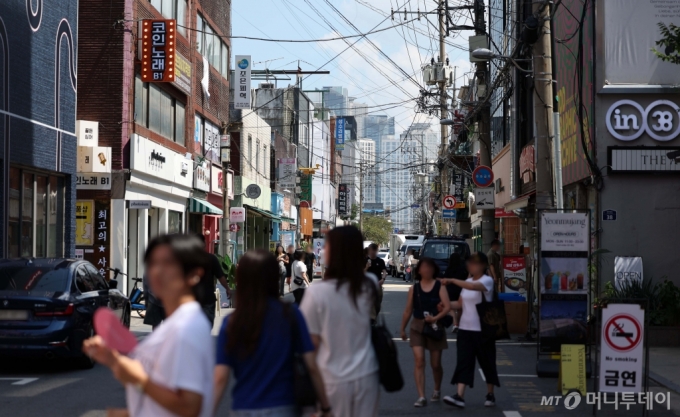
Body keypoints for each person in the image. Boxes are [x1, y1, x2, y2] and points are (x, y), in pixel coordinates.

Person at [83, 234, 214, 417]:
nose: (157, 271)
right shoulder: (178, 323)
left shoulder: (187, 327)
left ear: (194, 274)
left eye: (169, 264)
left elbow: (189, 408)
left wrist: (137, 378)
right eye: (152, 263)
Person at [213, 249, 332, 417]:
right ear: (274, 277)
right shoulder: (291, 315)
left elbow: (220, 377)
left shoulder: (232, 322)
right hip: (283, 406)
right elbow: (311, 365)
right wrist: (326, 407)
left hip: (243, 407)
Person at [299, 226, 380, 417]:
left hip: (331, 379)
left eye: (327, 246)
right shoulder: (369, 284)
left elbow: (310, 349)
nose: (323, 250)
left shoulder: (317, 293)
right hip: (367, 375)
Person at [441, 252, 500, 409]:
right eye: (470, 263)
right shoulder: (466, 281)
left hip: (483, 330)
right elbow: (460, 304)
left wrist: (453, 280)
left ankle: (490, 394)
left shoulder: (487, 281)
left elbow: (474, 287)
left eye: (474, 263)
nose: (471, 265)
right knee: (464, 362)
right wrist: (445, 305)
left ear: (483, 265)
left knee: (487, 362)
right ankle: (459, 396)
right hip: (465, 329)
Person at [399, 257, 451, 407]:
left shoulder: (440, 286)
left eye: (430, 267)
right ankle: (421, 396)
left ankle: (437, 389)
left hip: (435, 326)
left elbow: (447, 307)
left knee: (435, 364)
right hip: (417, 326)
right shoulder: (414, 289)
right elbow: (408, 310)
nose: (427, 270)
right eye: (424, 267)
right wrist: (402, 328)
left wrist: (435, 318)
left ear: (434, 270)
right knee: (419, 360)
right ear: (419, 270)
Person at [196, 234, 229, 329]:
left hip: (192, 301)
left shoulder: (187, 260)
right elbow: (220, 276)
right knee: (207, 327)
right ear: (204, 244)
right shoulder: (211, 259)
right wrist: (227, 288)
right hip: (208, 300)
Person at [443, 253, 468, 332]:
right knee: (460, 308)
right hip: (461, 289)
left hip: (450, 290)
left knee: (451, 308)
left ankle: (455, 324)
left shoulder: (448, 269)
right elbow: (466, 279)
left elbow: (445, 280)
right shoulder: (463, 269)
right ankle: (459, 324)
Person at [365, 243, 387, 314]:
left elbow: (384, 271)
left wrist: (383, 279)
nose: (372, 252)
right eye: (371, 250)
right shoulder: (364, 260)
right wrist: (366, 267)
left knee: (377, 304)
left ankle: (374, 317)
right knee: (369, 304)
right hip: (367, 286)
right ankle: (371, 319)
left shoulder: (380, 261)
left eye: (374, 251)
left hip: (378, 285)